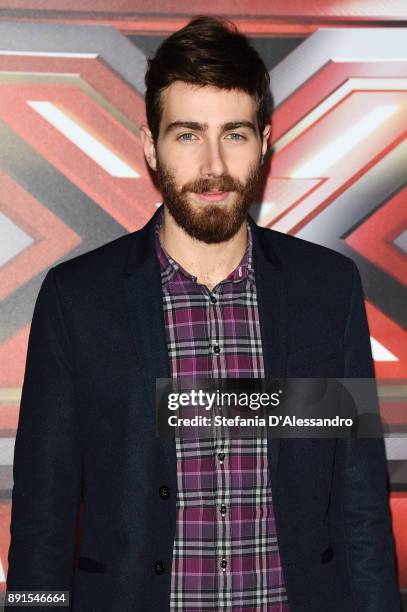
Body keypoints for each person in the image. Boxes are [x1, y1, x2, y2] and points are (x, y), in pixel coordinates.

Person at [6, 15, 400, 612]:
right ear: (150, 146)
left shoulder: (327, 289)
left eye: (235, 134)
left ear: (264, 143)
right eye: (188, 134)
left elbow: (360, 502)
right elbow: (42, 518)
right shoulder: (77, 299)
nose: (214, 164)